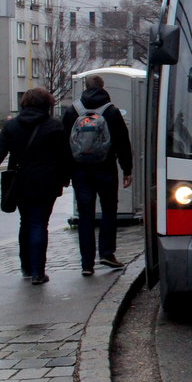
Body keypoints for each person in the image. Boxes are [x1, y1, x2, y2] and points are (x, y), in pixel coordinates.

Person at [0, 88, 73, 284]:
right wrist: (65, 178)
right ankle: (38, 272)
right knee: (39, 224)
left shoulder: (12, 127)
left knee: (25, 223)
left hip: (19, 182)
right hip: (47, 183)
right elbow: (65, 156)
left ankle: (26, 267)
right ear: (48, 104)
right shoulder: (54, 126)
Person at [62, 75, 133, 275]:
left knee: (85, 215)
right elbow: (122, 143)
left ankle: (86, 264)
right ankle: (107, 253)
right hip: (106, 169)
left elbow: (64, 145)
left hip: (80, 171)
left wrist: (66, 173)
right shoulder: (111, 112)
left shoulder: (72, 111)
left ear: (85, 87)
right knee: (109, 210)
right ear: (103, 87)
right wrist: (127, 169)